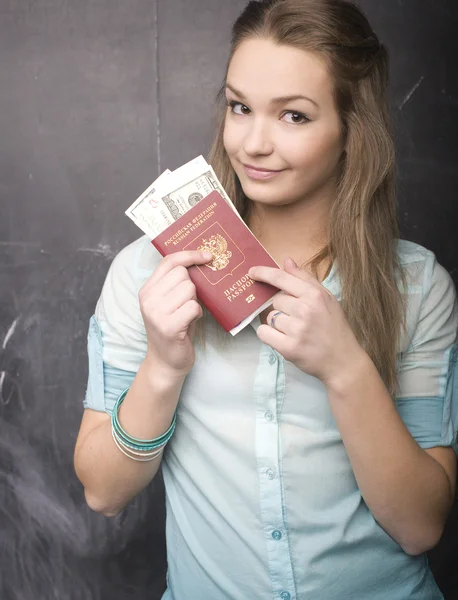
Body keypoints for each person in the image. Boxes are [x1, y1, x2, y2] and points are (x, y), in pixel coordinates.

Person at [74, 1, 458, 598]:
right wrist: (162, 369)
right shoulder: (148, 274)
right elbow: (102, 491)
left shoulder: (416, 285)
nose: (253, 143)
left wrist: (346, 367)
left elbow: (420, 527)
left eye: (295, 117)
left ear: (352, 128)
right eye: (240, 107)